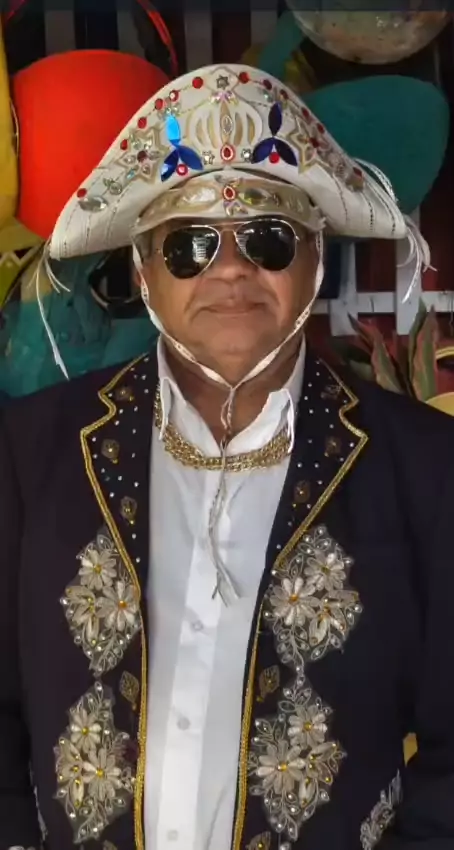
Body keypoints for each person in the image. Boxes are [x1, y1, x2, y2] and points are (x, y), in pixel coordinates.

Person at [1, 62, 454, 850]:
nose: (232, 268)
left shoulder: (426, 469)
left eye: (268, 238)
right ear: (143, 270)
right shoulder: (28, 451)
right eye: (190, 245)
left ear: (315, 257)